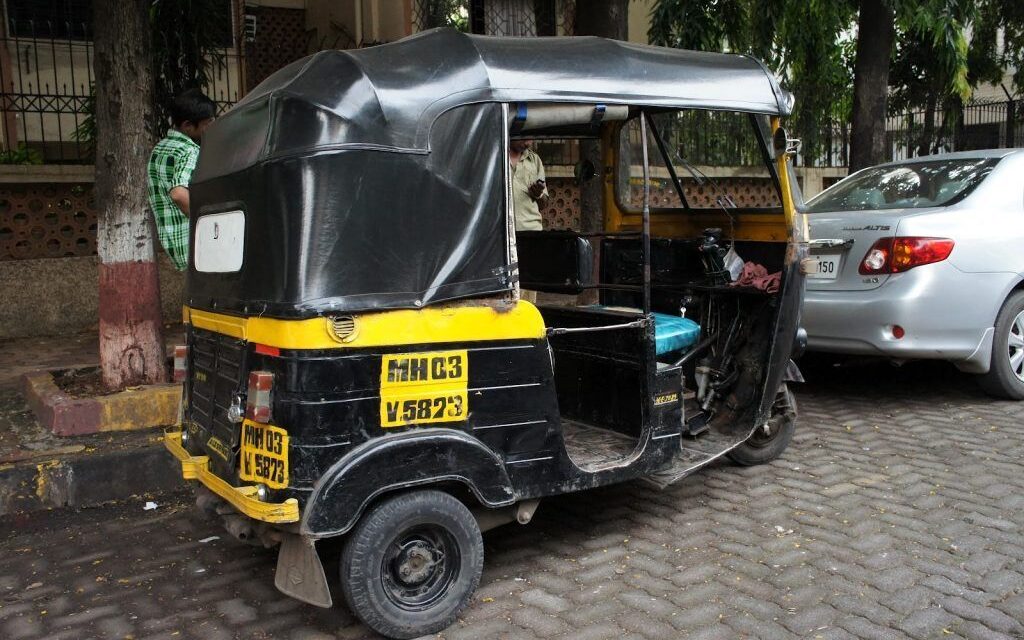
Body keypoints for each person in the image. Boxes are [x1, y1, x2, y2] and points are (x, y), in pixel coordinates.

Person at [147, 89, 217, 271]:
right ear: (187, 126)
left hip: (176, 243)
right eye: (208, 123)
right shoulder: (188, 151)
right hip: (198, 242)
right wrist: (209, 222)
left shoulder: (160, 148)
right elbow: (178, 193)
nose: (212, 127)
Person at [510, 139, 549, 231]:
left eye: (531, 138)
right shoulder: (494, 158)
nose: (528, 143)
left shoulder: (535, 160)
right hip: (499, 232)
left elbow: (544, 204)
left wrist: (538, 194)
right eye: (525, 137)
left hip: (531, 230)